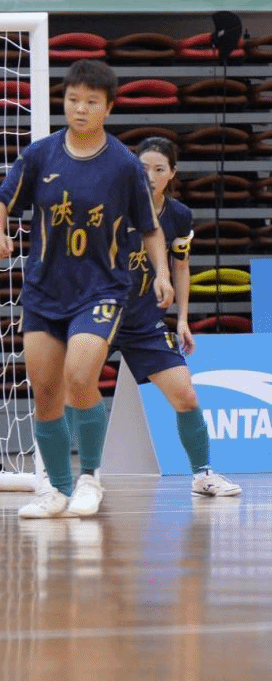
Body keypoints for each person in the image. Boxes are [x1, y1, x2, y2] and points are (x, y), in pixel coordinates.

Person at [0, 59, 173, 519]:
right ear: (64, 102)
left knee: (80, 376)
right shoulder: (40, 155)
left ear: (108, 107)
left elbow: (149, 228)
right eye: (73, 99)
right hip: (44, 292)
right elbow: (1, 201)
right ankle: (56, 490)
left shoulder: (124, 165)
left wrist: (162, 274)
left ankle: (90, 477)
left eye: (91, 101)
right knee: (46, 390)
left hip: (101, 290)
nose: (81, 108)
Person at [106, 136, 239, 497]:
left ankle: (203, 475)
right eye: (143, 167)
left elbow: (181, 266)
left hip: (145, 322)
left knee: (186, 396)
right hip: (101, 316)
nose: (149, 175)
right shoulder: (111, 205)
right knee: (72, 389)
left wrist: (182, 319)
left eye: (159, 169)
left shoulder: (179, 216)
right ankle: (63, 478)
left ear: (172, 173)